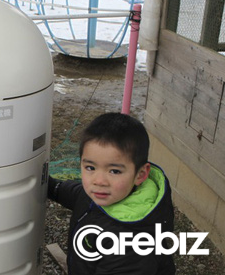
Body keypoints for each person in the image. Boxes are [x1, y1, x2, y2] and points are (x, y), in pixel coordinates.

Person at [48, 113, 175, 274]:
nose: (99, 180)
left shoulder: (129, 245)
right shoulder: (101, 194)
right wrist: (47, 184)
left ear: (141, 174)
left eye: (114, 171)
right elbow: (70, 193)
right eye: (90, 168)